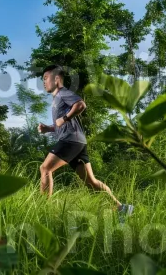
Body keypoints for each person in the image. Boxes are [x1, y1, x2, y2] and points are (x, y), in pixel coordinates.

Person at [37, 64, 134, 217]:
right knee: (91, 182)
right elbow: (61, 125)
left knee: (45, 169)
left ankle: (43, 212)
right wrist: (48, 129)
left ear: (56, 79)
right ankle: (122, 209)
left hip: (71, 140)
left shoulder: (63, 93)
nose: (43, 82)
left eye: (45, 78)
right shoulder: (57, 99)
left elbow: (81, 105)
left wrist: (64, 118)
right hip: (77, 141)